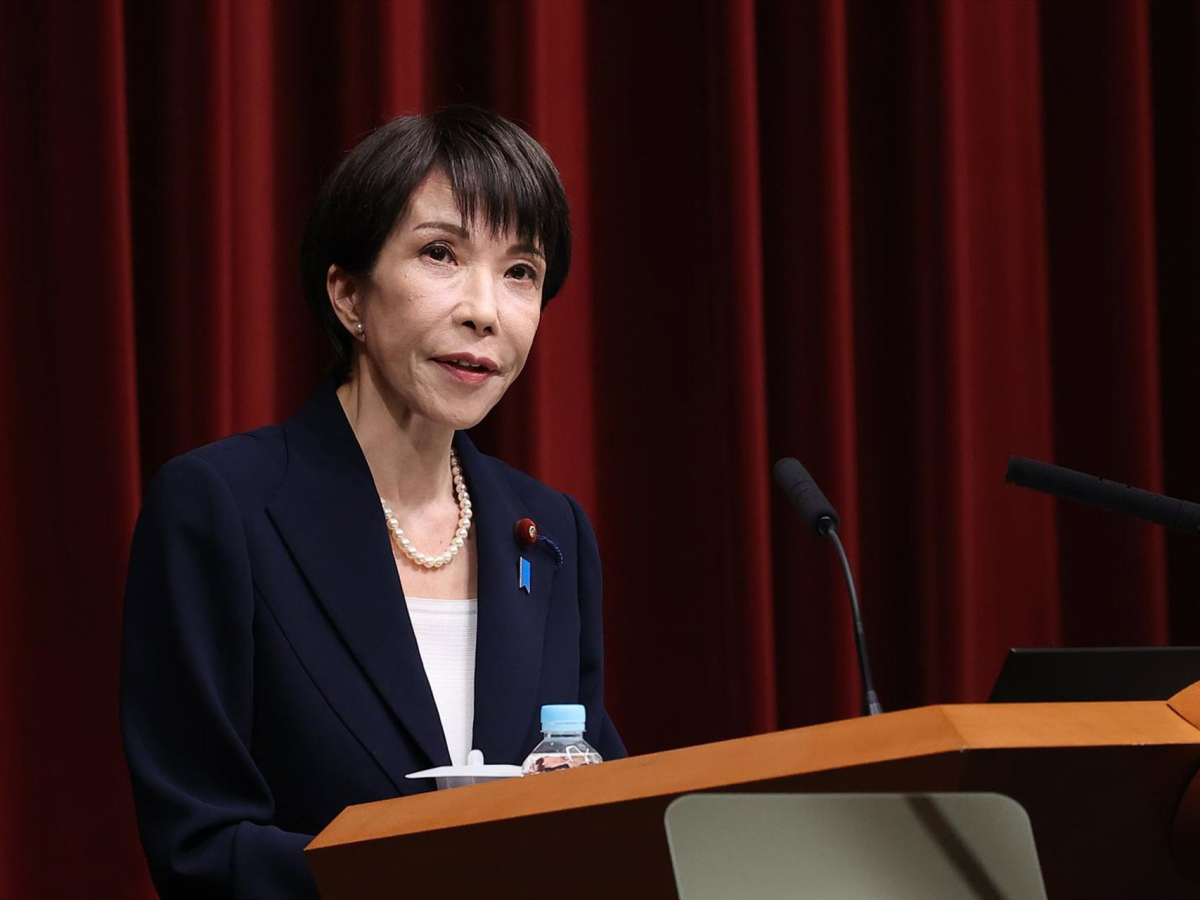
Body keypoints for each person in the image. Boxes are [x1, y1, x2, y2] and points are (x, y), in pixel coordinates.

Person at [120, 106, 626, 899]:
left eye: (520, 272)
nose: (485, 310)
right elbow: (200, 847)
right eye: (440, 254)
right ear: (348, 295)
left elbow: (601, 802)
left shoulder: (548, 532)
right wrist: (430, 872)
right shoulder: (221, 509)